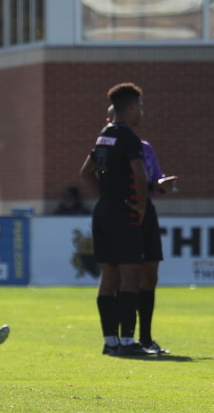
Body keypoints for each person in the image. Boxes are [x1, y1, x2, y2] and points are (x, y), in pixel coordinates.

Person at [79, 82, 149, 356]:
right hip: (124, 214)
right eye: (140, 106)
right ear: (131, 107)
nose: (141, 111)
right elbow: (140, 175)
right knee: (131, 276)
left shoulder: (103, 136)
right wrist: (140, 206)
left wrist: (104, 197)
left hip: (103, 212)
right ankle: (128, 342)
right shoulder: (129, 138)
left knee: (108, 275)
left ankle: (110, 341)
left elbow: (85, 173)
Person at [106, 105, 179, 355]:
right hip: (124, 212)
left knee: (150, 275)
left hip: (146, 210)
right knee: (126, 277)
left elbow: (151, 177)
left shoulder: (144, 147)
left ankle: (146, 338)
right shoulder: (110, 147)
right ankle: (120, 339)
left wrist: (161, 184)